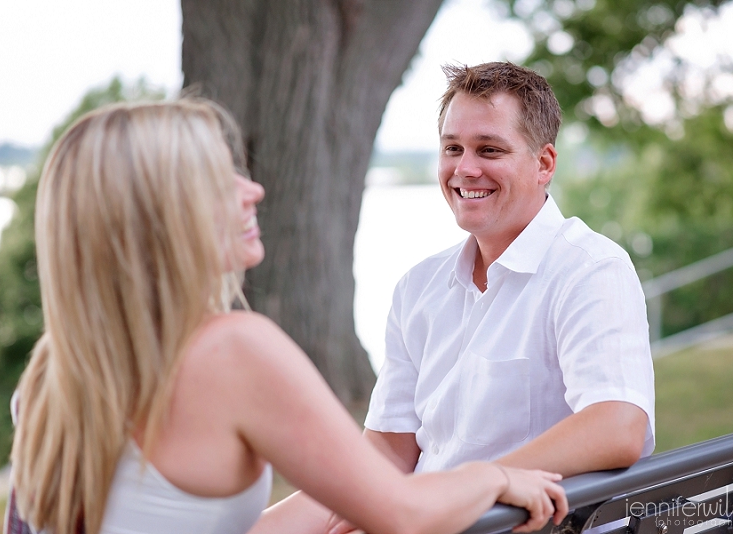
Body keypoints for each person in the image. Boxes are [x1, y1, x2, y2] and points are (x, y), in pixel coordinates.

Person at [5, 99, 568, 534]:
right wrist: (493, 475)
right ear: (156, 216)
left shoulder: (53, 373)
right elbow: (406, 517)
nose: (252, 189)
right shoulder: (232, 351)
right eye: (215, 179)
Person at [261, 61, 655, 534]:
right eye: (453, 148)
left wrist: (480, 482)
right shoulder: (418, 288)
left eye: (489, 149)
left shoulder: (589, 269)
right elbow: (386, 454)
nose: (465, 169)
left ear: (544, 163)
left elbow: (617, 424)